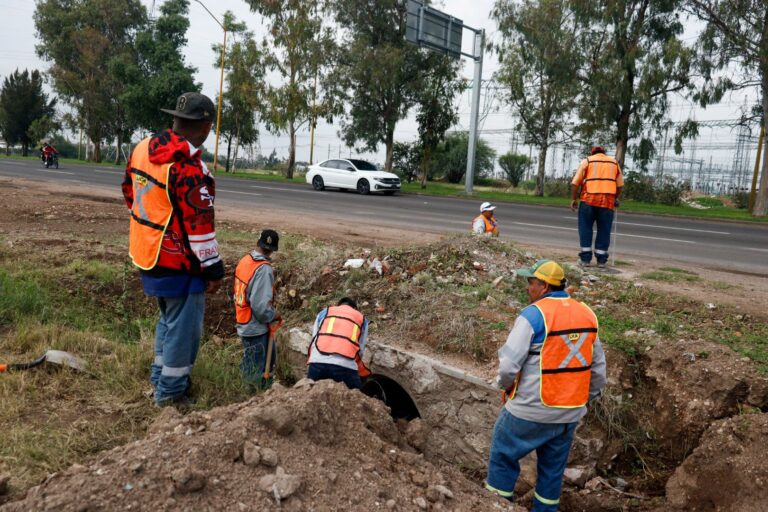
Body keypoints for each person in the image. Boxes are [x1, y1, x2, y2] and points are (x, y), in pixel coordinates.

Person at [122, 92, 223, 408]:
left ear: (175, 119)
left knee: (168, 321)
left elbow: (129, 191)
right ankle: (170, 394)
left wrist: (153, 225)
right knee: (184, 332)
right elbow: (199, 224)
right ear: (205, 127)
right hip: (180, 264)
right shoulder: (188, 167)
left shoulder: (142, 148)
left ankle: (159, 379)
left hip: (147, 252)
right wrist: (213, 268)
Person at [485, 259, 606, 511]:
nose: (527, 287)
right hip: (568, 414)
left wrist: (504, 386)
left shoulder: (533, 315)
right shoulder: (586, 314)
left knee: (503, 456)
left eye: (531, 282)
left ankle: (496, 505)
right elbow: (598, 371)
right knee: (552, 472)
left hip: (530, 409)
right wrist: (584, 400)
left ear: (544, 287)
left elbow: (508, 366)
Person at [234, 229, 281, 389]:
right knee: (255, 370)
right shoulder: (264, 269)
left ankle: (256, 393)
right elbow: (260, 307)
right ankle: (254, 396)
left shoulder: (245, 261)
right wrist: (273, 315)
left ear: (257, 243)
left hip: (244, 321)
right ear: (273, 249)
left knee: (252, 363)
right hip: (256, 327)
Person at [570, 146, 623, 268]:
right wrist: (615, 197)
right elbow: (620, 186)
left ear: (592, 153)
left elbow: (575, 183)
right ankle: (601, 261)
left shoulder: (587, 161)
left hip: (588, 200)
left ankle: (585, 260)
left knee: (585, 228)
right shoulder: (614, 163)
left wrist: (574, 199)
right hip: (607, 201)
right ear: (604, 153)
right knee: (604, 230)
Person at [307, 297, 370, 390]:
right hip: (345, 366)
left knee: (311, 393)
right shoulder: (362, 319)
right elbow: (360, 349)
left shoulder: (325, 312)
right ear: (355, 309)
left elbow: (314, 340)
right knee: (358, 395)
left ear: (338, 305)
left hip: (317, 363)